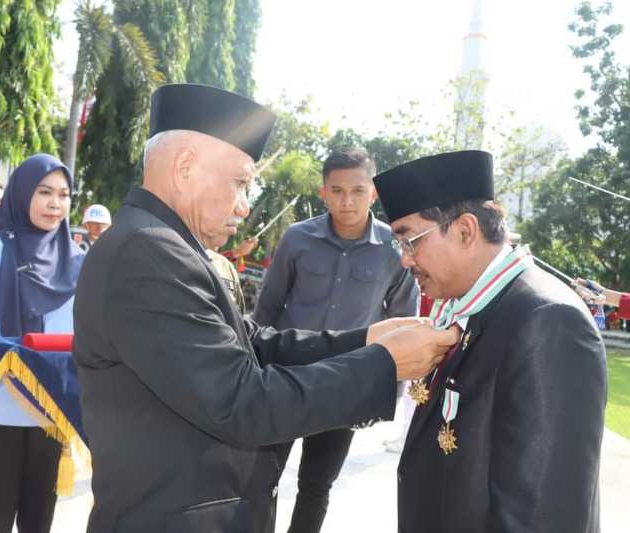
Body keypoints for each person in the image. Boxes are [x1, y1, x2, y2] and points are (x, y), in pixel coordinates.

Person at [73, 83, 458, 533]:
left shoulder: (167, 244)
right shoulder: (147, 252)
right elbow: (241, 401)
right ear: (185, 167)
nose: (244, 206)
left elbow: (253, 344)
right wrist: (382, 364)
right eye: (240, 183)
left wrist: (367, 339)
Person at [373, 150, 607, 532]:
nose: (405, 260)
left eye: (410, 241)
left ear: (466, 230)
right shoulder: (475, 306)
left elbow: (543, 515)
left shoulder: (548, 320)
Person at [253, 146, 418, 533]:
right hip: (284, 378)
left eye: (358, 191)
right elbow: (266, 310)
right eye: (338, 190)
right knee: (262, 478)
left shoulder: (394, 251)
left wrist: (389, 390)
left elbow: (402, 323)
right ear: (323, 191)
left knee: (316, 486)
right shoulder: (297, 239)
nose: (348, 201)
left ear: (373, 193)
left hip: (345, 385)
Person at [0, 154, 84, 533]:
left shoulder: (79, 259)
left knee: (38, 523)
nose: (54, 203)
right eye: (44, 192)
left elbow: (84, 331)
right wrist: (24, 359)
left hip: (52, 411)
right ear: (22, 193)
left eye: (63, 195)